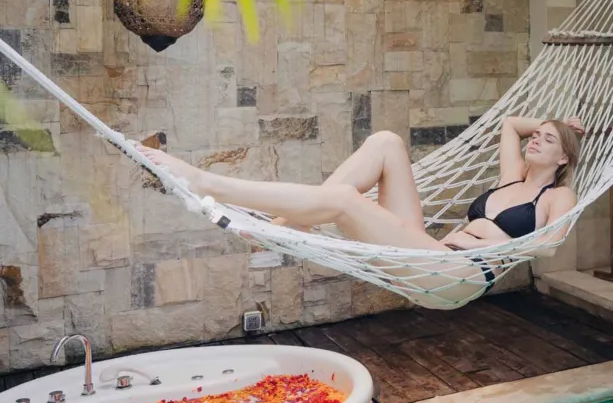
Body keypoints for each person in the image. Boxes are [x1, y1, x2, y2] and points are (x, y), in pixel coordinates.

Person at [137, 116, 584, 252]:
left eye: (548, 140)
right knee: (387, 140)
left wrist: (494, 237)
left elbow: (549, 246)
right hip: (427, 247)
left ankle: (203, 181)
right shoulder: (510, 179)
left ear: (563, 157)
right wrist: (558, 122)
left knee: (348, 201)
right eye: (536, 136)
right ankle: (290, 225)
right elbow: (510, 125)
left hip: (456, 274)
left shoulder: (558, 194)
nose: (536, 140)